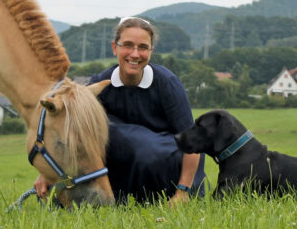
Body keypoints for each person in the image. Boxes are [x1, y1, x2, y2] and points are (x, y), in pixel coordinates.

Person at [34, 16, 205, 205]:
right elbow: (74, 133)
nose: (134, 54)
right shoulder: (100, 84)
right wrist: (45, 173)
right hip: (127, 166)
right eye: (128, 45)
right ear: (115, 47)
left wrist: (183, 192)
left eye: (142, 47)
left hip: (168, 169)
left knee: (138, 146)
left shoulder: (167, 84)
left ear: (151, 51)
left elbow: (192, 145)